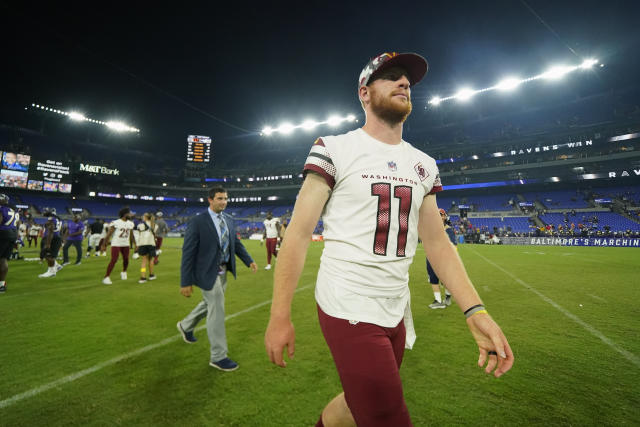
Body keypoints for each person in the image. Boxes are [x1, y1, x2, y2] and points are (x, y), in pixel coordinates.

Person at [264, 52, 514, 427]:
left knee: (354, 405)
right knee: (386, 417)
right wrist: (279, 315)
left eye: (407, 80)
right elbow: (298, 235)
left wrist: (475, 310)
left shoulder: (423, 163)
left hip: (395, 307)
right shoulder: (335, 148)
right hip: (347, 304)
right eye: (392, 77)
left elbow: (437, 243)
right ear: (364, 93)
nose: (404, 83)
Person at [177, 186, 258, 371]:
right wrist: (185, 281)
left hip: (223, 271)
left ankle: (185, 325)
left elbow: (235, 243)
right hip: (206, 272)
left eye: (226, 198)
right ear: (210, 200)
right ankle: (218, 356)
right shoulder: (198, 221)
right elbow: (188, 253)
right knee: (217, 309)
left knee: (209, 304)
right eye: (220, 198)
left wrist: (249, 260)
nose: (224, 202)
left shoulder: (229, 219)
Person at [427, 209, 456, 309]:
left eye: (441, 215)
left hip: (444, 259)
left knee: (446, 281)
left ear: (444, 217)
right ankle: (438, 301)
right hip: (431, 257)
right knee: (433, 279)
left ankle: (448, 296)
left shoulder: (448, 229)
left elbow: (453, 246)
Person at [101, 207, 135, 285]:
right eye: (129, 213)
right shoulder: (116, 222)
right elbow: (109, 234)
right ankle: (106, 277)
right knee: (114, 259)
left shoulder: (131, 223)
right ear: (125, 214)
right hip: (116, 243)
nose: (131, 215)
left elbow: (131, 235)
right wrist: (104, 245)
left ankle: (124, 272)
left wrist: (135, 245)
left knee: (126, 259)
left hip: (126, 244)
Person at [0, 194, 18, 293]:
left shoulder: (1, 209)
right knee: (3, 259)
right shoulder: (13, 210)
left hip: (2, 234)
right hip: (12, 234)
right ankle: (1, 285)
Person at [38, 209, 64, 278]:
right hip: (56, 237)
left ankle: (51, 272)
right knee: (47, 254)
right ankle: (57, 266)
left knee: (48, 255)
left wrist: (48, 243)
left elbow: (51, 230)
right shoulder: (58, 219)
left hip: (52, 238)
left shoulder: (52, 219)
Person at [136, 212, 157, 283]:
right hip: (151, 244)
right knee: (151, 260)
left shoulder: (140, 225)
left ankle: (143, 277)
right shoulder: (154, 225)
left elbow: (139, 232)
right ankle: (151, 275)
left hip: (143, 244)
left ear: (145, 217)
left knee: (144, 261)